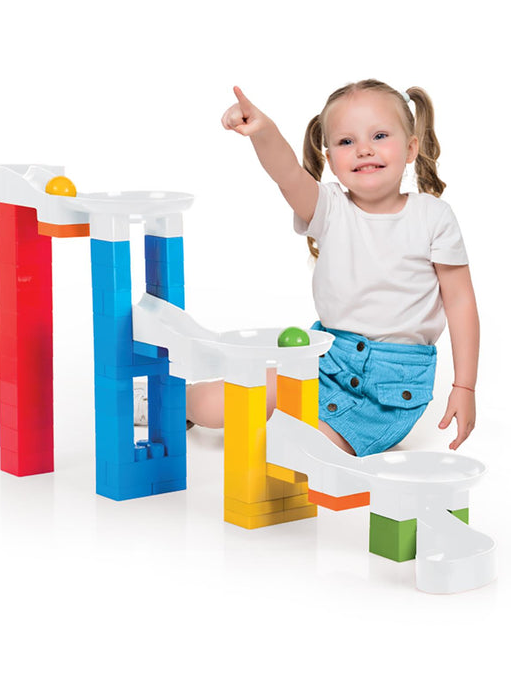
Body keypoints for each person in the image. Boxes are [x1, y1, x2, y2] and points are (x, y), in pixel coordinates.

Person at [186, 80, 479, 456]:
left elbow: (460, 302)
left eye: (379, 135)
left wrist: (464, 386)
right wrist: (262, 130)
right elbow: (287, 173)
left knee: (302, 452)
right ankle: (172, 402)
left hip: (389, 389)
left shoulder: (434, 216)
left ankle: (281, 434)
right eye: (346, 141)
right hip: (325, 362)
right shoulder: (328, 208)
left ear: (410, 148)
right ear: (330, 158)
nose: (364, 149)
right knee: (214, 401)